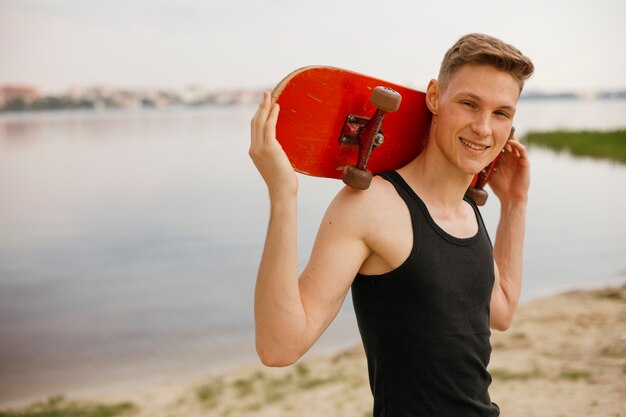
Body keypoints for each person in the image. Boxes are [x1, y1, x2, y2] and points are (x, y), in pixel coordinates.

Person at [249, 33, 534, 416]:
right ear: (434, 97)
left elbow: (501, 312)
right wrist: (283, 196)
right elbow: (279, 345)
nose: (484, 128)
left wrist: (515, 203)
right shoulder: (372, 206)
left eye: (502, 113)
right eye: (469, 104)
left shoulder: (467, 210)